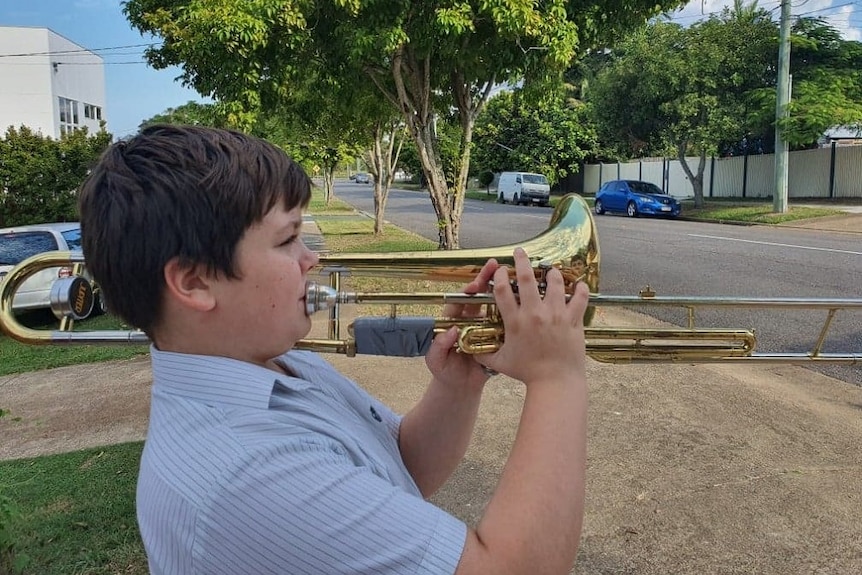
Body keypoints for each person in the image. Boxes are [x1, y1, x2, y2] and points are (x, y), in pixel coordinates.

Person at [78, 124, 589, 575]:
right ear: (194, 283)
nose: (312, 258)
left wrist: (459, 385)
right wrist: (556, 377)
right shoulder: (248, 474)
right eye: (287, 241)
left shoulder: (276, 360)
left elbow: (404, 467)